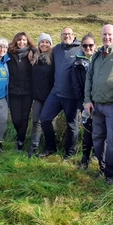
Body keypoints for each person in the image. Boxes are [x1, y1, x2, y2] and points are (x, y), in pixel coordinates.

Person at [84, 24, 113, 184]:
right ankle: (103, 168)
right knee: (97, 138)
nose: (107, 37)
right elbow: (89, 78)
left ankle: (111, 175)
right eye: (104, 35)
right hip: (96, 106)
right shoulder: (97, 55)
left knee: (112, 141)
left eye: (110, 34)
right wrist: (87, 100)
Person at [39, 27, 81, 159]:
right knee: (45, 118)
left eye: (69, 34)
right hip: (56, 93)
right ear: (61, 36)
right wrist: (32, 53)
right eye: (64, 34)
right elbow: (43, 51)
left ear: (73, 35)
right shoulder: (56, 48)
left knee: (72, 125)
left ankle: (70, 153)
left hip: (72, 96)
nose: (66, 36)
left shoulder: (80, 48)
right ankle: (50, 147)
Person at [71, 32, 96, 169]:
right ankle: (85, 157)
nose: (88, 48)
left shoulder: (100, 59)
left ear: (95, 46)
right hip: (85, 103)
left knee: (99, 131)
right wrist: (83, 104)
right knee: (88, 130)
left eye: (90, 45)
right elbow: (76, 86)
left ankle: (97, 156)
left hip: (100, 102)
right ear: (81, 46)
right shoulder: (76, 63)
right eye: (85, 45)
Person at [7, 32, 36, 151]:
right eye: (19, 40)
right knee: (16, 119)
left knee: (24, 118)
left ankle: (20, 141)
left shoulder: (32, 53)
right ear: (15, 41)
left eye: (24, 40)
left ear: (28, 41)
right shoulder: (9, 53)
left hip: (27, 91)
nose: (22, 42)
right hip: (13, 91)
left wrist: (33, 50)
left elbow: (42, 49)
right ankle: (20, 135)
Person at [29, 33, 55, 158]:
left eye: (47, 42)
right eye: (42, 42)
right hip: (38, 96)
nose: (44, 44)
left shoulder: (54, 57)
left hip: (51, 96)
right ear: (38, 44)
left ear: (50, 44)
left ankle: (50, 146)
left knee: (48, 121)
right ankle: (33, 147)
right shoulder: (34, 57)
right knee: (36, 121)